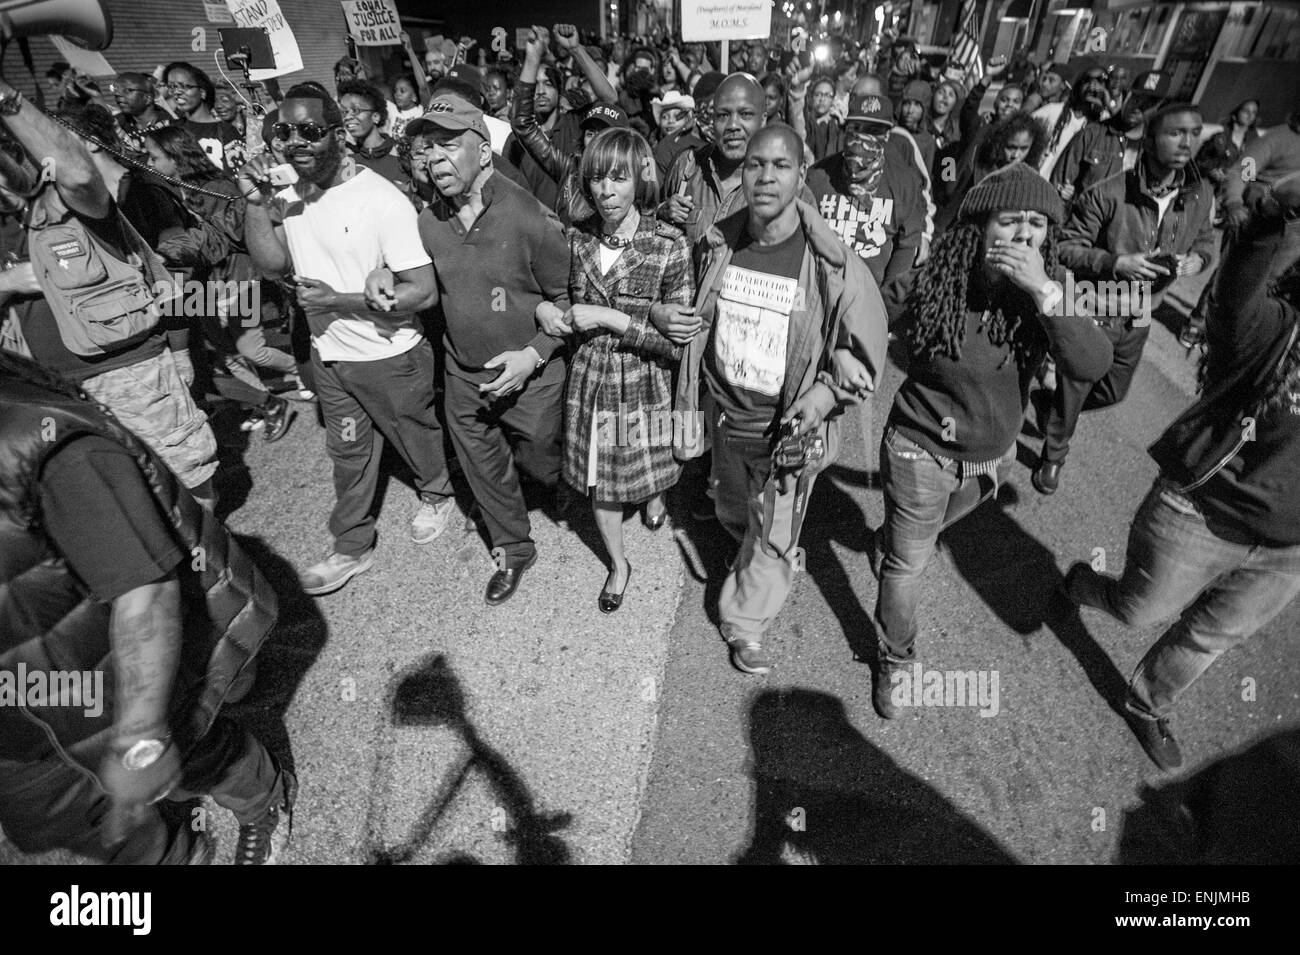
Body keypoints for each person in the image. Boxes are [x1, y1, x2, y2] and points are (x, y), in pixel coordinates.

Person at [0, 351, 295, 865]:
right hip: (20, 723)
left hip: (97, 679)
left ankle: (263, 800)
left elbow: (145, 590)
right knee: (76, 821)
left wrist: (141, 739)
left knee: (193, 755)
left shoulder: (41, 443)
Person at [871, 164, 1114, 718]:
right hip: (918, 448)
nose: (1026, 235)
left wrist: (1044, 292)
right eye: (1010, 221)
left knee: (923, 533)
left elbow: (1092, 362)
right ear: (979, 226)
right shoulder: (939, 277)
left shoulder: (1049, 289)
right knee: (909, 564)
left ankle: (893, 536)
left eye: (1037, 223)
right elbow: (869, 317)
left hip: (991, 459)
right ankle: (897, 657)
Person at [1063, 206, 1300, 771]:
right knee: (1139, 609)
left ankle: (1146, 703)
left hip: (1287, 551)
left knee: (1212, 637)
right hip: (1202, 515)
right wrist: (1271, 219)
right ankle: (1085, 586)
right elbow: (1239, 288)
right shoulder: (1274, 329)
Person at [674, 124, 888, 675]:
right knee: (730, 508)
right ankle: (748, 549)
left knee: (773, 537)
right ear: (741, 173)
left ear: (801, 174)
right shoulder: (720, 240)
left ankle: (745, 621)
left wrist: (823, 394)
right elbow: (692, 307)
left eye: (781, 166)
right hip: (724, 422)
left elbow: (862, 355)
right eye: (754, 165)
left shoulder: (832, 263)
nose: (766, 176)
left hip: (787, 436)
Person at [238, 84, 453, 596]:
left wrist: (340, 302)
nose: (295, 142)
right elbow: (271, 264)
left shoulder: (382, 200)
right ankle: (351, 546)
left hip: (391, 356)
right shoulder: (289, 197)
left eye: (310, 131)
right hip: (328, 355)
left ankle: (437, 493)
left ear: (337, 134)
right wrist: (252, 203)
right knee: (348, 452)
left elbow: (422, 294)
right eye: (284, 132)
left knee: (415, 436)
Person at [371, 93, 570, 606]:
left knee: (544, 464)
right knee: (483, 462)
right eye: (427, 149)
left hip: (533, 378)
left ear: (483, 152)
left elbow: (567, 300)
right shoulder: (427, 222)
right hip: (464, 374)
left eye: (448, 146)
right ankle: (513, 547)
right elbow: (417, 281)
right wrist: (381, 276)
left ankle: (559, 481)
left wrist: (534, 354)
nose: (434, 159)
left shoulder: (529, 216)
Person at [0, 85, 218, 508]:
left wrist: (6, 98)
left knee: (187, 485)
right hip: (43, 389)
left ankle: (208, 565)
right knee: (113, 503)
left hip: (124, 372)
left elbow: (79, 173)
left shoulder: (72, 198)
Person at [536, 128, 694, 611]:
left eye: (618, 179)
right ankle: (619, 566)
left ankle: (653, 498)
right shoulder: (577, 239)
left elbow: (676, 345)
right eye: (597, 179)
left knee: (649, 468)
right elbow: (558, 298)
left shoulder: (669, 245)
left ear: (638, 179)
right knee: (600, 483)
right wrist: (547, 311)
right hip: (591, 381)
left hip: (644, 383)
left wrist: (610, 317)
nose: (606, 191)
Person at [1036, 103, 1216, 496]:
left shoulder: (1199, 195)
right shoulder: (1108, 192)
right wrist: (1117, 262)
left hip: (1140, 315)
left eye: (1194, 132)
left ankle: (1052, 409)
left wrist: (1197, 259)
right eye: (1175, 133)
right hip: (1095, 306)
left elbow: (1205, 241)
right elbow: (1066, 246)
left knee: (1113, 392)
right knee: (1078, 384)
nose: (1187, 141)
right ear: (1149, 142)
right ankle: (1053, 455)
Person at [142, 125, 294, 441]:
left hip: (238, 283)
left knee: (253, 349)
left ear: (176, 156)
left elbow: (238, 233)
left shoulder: (218, 188)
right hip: (204, 287)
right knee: (227, 355)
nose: (150, 162)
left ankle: (303, 372)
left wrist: (186, 243)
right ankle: (266, 404)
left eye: (155, 156)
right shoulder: (171, 192)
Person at [806, 92, 925, 323]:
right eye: (856, 128)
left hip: (867, 306)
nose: (862, 138)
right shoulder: (818, 177)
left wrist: (882, 311)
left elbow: (906, 246)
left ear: (887, 135)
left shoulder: (905, 182)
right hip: (817, 301)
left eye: (873, 131)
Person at [163, 62, 244, 173]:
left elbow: (239, 176)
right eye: (172, 87)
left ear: (202, 92)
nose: (177, 92)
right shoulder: (169, 127)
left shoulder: (225, 132)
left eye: (184, 86)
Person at [1034, 66, 1109, 182]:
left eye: (1100, 81)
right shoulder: (1053, 111)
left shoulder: (1105, 123)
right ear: (1078, 85)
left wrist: (1105, 108)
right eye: (1087, 80)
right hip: (1038, 183)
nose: (1092, 86)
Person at [338, 78, 408, 192]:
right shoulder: (349, 162)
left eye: (355, 110)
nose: (348, 117)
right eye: (344, 112)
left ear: (376, 117)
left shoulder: (400, 153)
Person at [112, 72, 171, 155]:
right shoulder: (118, 121)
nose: (117, 94)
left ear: (148, 98)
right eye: (116, 89)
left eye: (128, 90)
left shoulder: (169, 128)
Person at [650, 89, 701, 180]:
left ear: (687, 119)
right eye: (665, 117)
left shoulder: (694, 144)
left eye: (677, 116)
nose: (670, 121)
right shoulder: (653, 147)